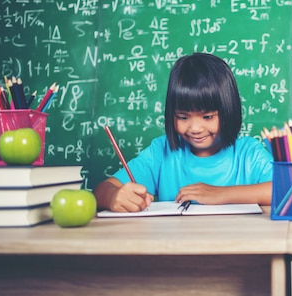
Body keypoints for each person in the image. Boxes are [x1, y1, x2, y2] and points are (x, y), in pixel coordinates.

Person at [94, 52, 274, 212]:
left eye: (208, 117)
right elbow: (102, 190)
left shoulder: (248, 153)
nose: (195, 129)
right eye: (183, 117)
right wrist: (113, 197)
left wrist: (221, 195)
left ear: (229, 111)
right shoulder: (161, 151)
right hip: (173, 247)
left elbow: (288, 190)